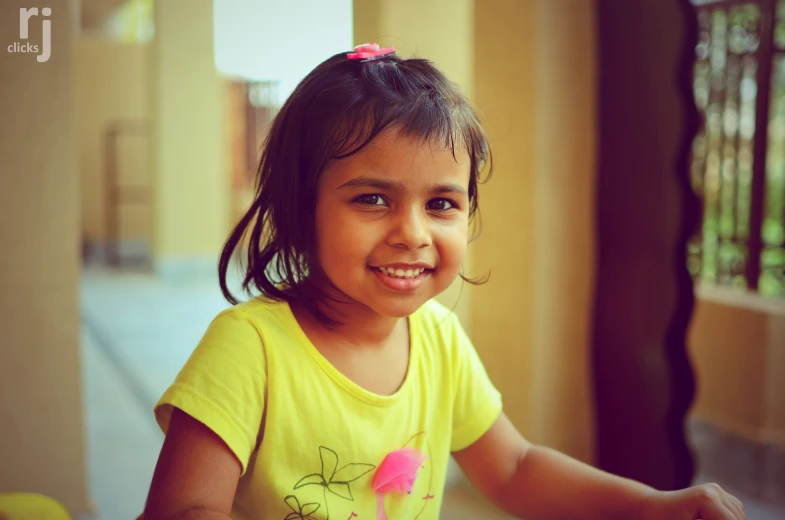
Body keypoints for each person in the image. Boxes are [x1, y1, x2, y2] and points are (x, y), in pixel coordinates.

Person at [141, 43, 746, 520]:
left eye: (441, 204)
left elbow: (513, 469)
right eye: (373, 198)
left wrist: (647, 505)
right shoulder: (249, 347)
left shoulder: (440, 341)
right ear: (303, 210)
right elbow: (183, 508)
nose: (413, 233)